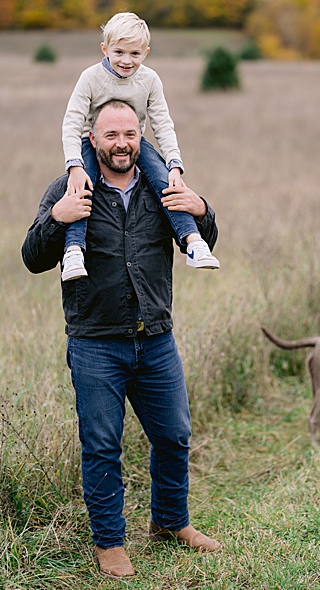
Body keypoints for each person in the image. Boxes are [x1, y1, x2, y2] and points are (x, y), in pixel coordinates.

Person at [22, 100, 223, 580]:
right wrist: (58, 215)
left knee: (174, 435)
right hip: (96, 343)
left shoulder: (161, 184)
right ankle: (109, 543)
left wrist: (202, 209)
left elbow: (200, 238)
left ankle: (170, 523)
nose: (122, 143)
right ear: (92, 139)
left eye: (130, 134)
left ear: (141, 136)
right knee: (101, 444)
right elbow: (32, 257)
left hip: (155, 337)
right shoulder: (71, 186)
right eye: (111, 135)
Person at [59, 11, 219, 282]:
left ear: (146, 53)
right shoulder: (90, 78)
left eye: (135, 54)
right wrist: (74, 164)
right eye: (119, 52)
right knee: (81, 189)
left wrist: (175, 164)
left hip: (135, 141)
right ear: (105, 49)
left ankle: (193, 241)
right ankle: (74, 249)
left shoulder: (150, 80)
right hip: (93, 141)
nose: (126, 60)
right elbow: (72, 123)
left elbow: (163, 124)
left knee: (165, 183)